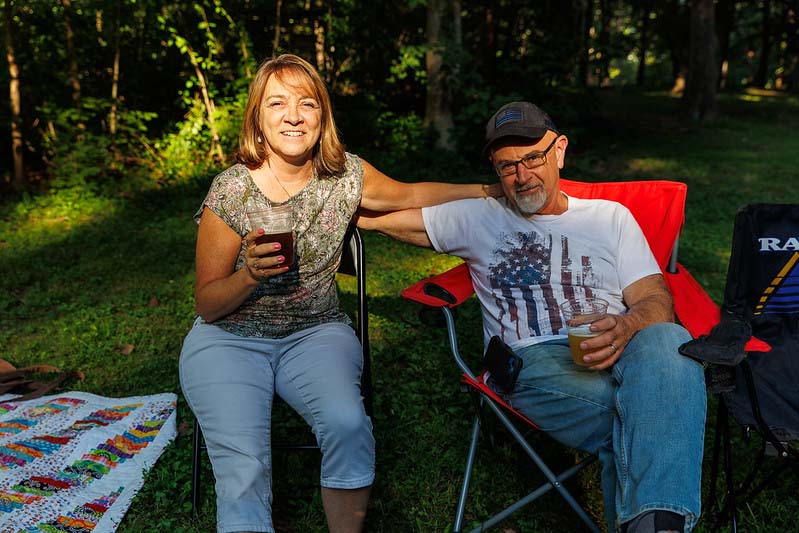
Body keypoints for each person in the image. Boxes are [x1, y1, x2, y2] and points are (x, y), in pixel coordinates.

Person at [179, 53, 500, 533]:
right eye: (278, 104)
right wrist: (248, 275)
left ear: (322, 116)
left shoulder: (346, 175)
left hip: (315, 333)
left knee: (349, 425)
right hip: (230, 338)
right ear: (258, 120)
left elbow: (411, 195)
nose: (293, 115)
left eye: (307, 103)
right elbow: (207, 303)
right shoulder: (231, 190)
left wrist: (490, 190)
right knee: (243, 463)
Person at [359, 101, 707, 533]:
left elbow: (654, 297)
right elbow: (377, 211)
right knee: (650, 418)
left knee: (667, 338)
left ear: (559, 150)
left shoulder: (610, 218)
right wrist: (320, 187)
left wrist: (628, 326)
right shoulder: (479, 216)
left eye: (533, 158)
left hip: (622, 345)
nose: (522, 176)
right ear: (494, 169)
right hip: (532, 362)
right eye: (507, 167)